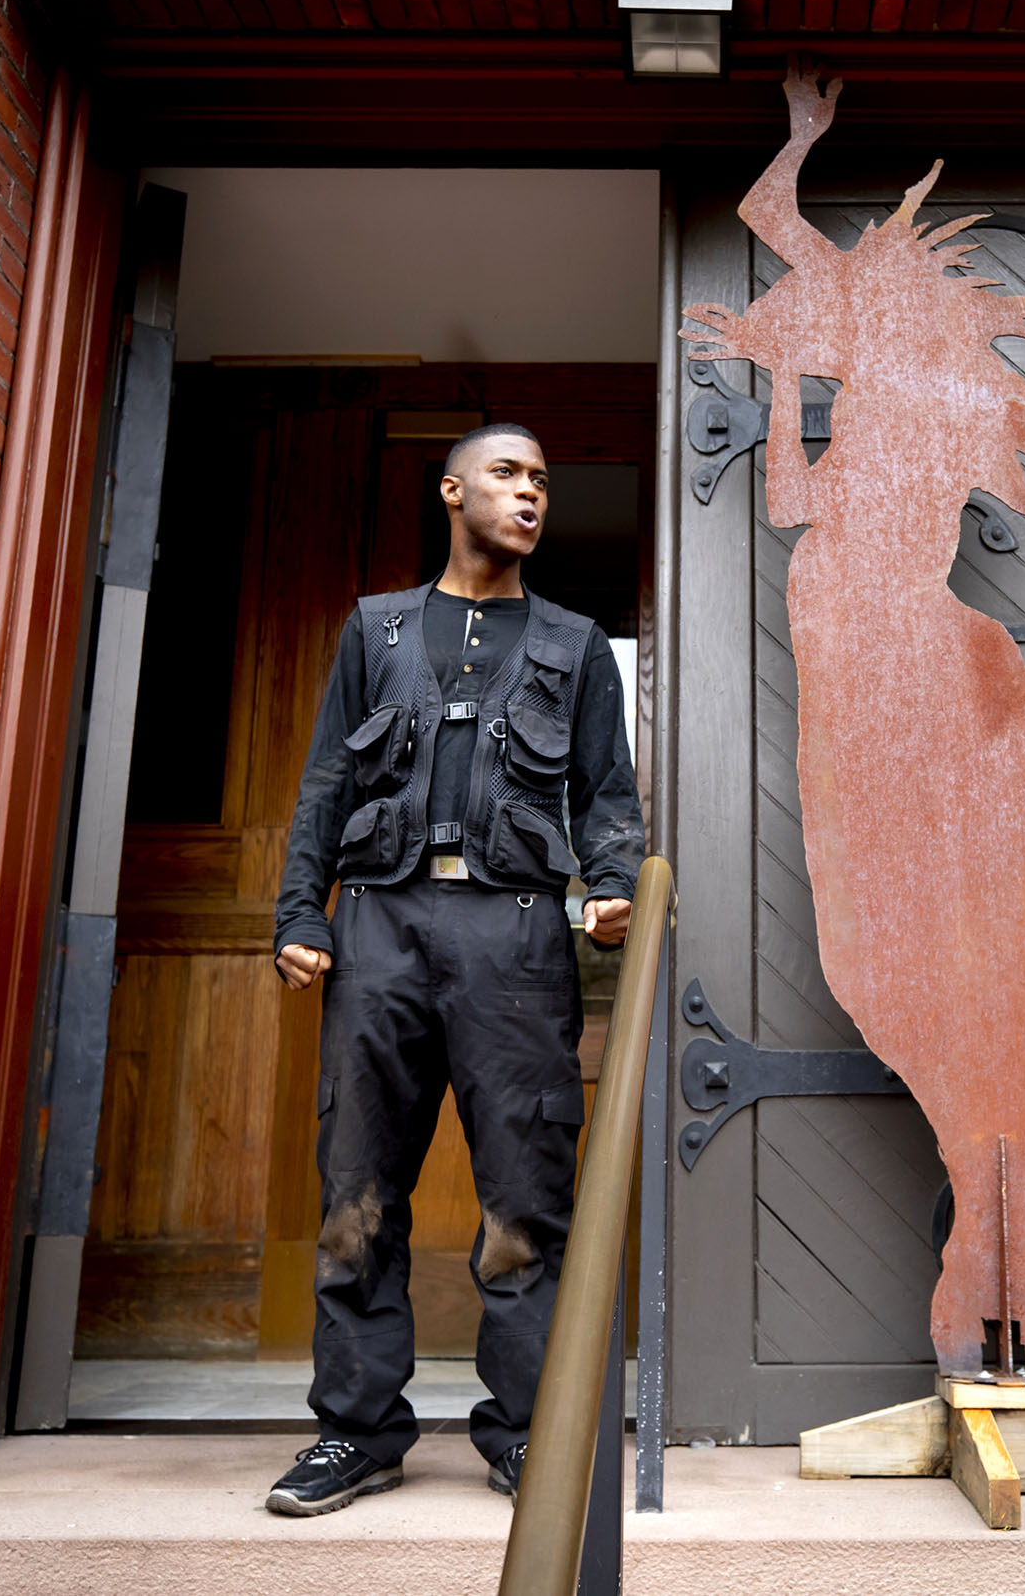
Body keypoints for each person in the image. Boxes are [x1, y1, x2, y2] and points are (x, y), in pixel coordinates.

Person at [262, 422, 644, 1517]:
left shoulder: (572, 643)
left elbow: (607, 792)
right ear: (451, 490)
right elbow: (325, 780)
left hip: (516, 935)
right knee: (357, 1191)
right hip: (378, 924)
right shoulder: (373, 628)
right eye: (507, 474)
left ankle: (525, 1431)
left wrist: (609, 880)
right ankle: (356, 1431)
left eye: (540, 480)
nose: (529, 494)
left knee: (526, 1198)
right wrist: (303, 908)